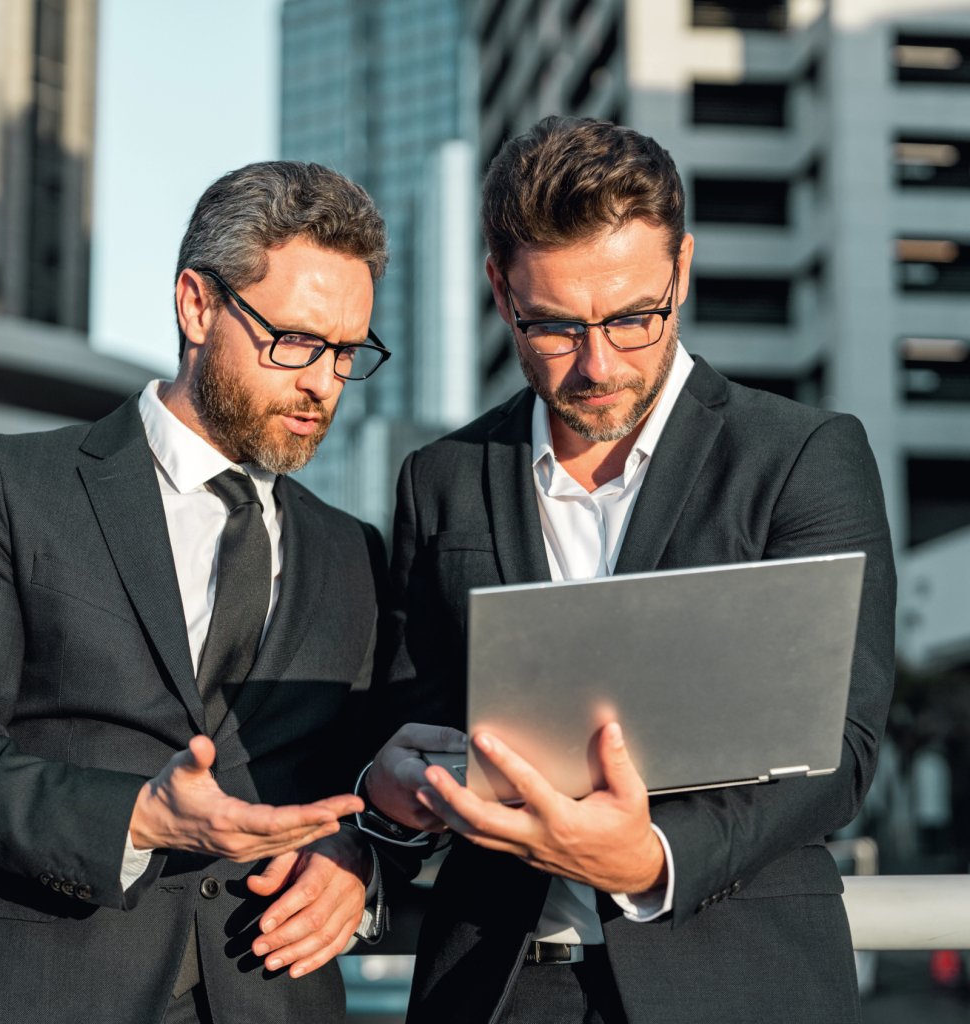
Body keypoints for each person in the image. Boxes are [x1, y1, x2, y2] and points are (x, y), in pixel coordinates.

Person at [364, 117, 896, 1023]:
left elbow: (837, 750)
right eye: (557, 326)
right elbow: (408, 715)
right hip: (496, 987)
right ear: (501, 292)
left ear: (680, 272)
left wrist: (652, 857)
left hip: (736, 980)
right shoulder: (441, 478)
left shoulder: (803, 456)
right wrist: (392, 787)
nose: (598, 363)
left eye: (632, 317)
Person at [0, 161, 396, 1024]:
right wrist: (140, 819)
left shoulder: (353, 554)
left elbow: (367, 787)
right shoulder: (4, 484)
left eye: (348, 352)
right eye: (296, 341)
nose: (322, 383)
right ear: (196, 304)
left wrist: (359, 864)